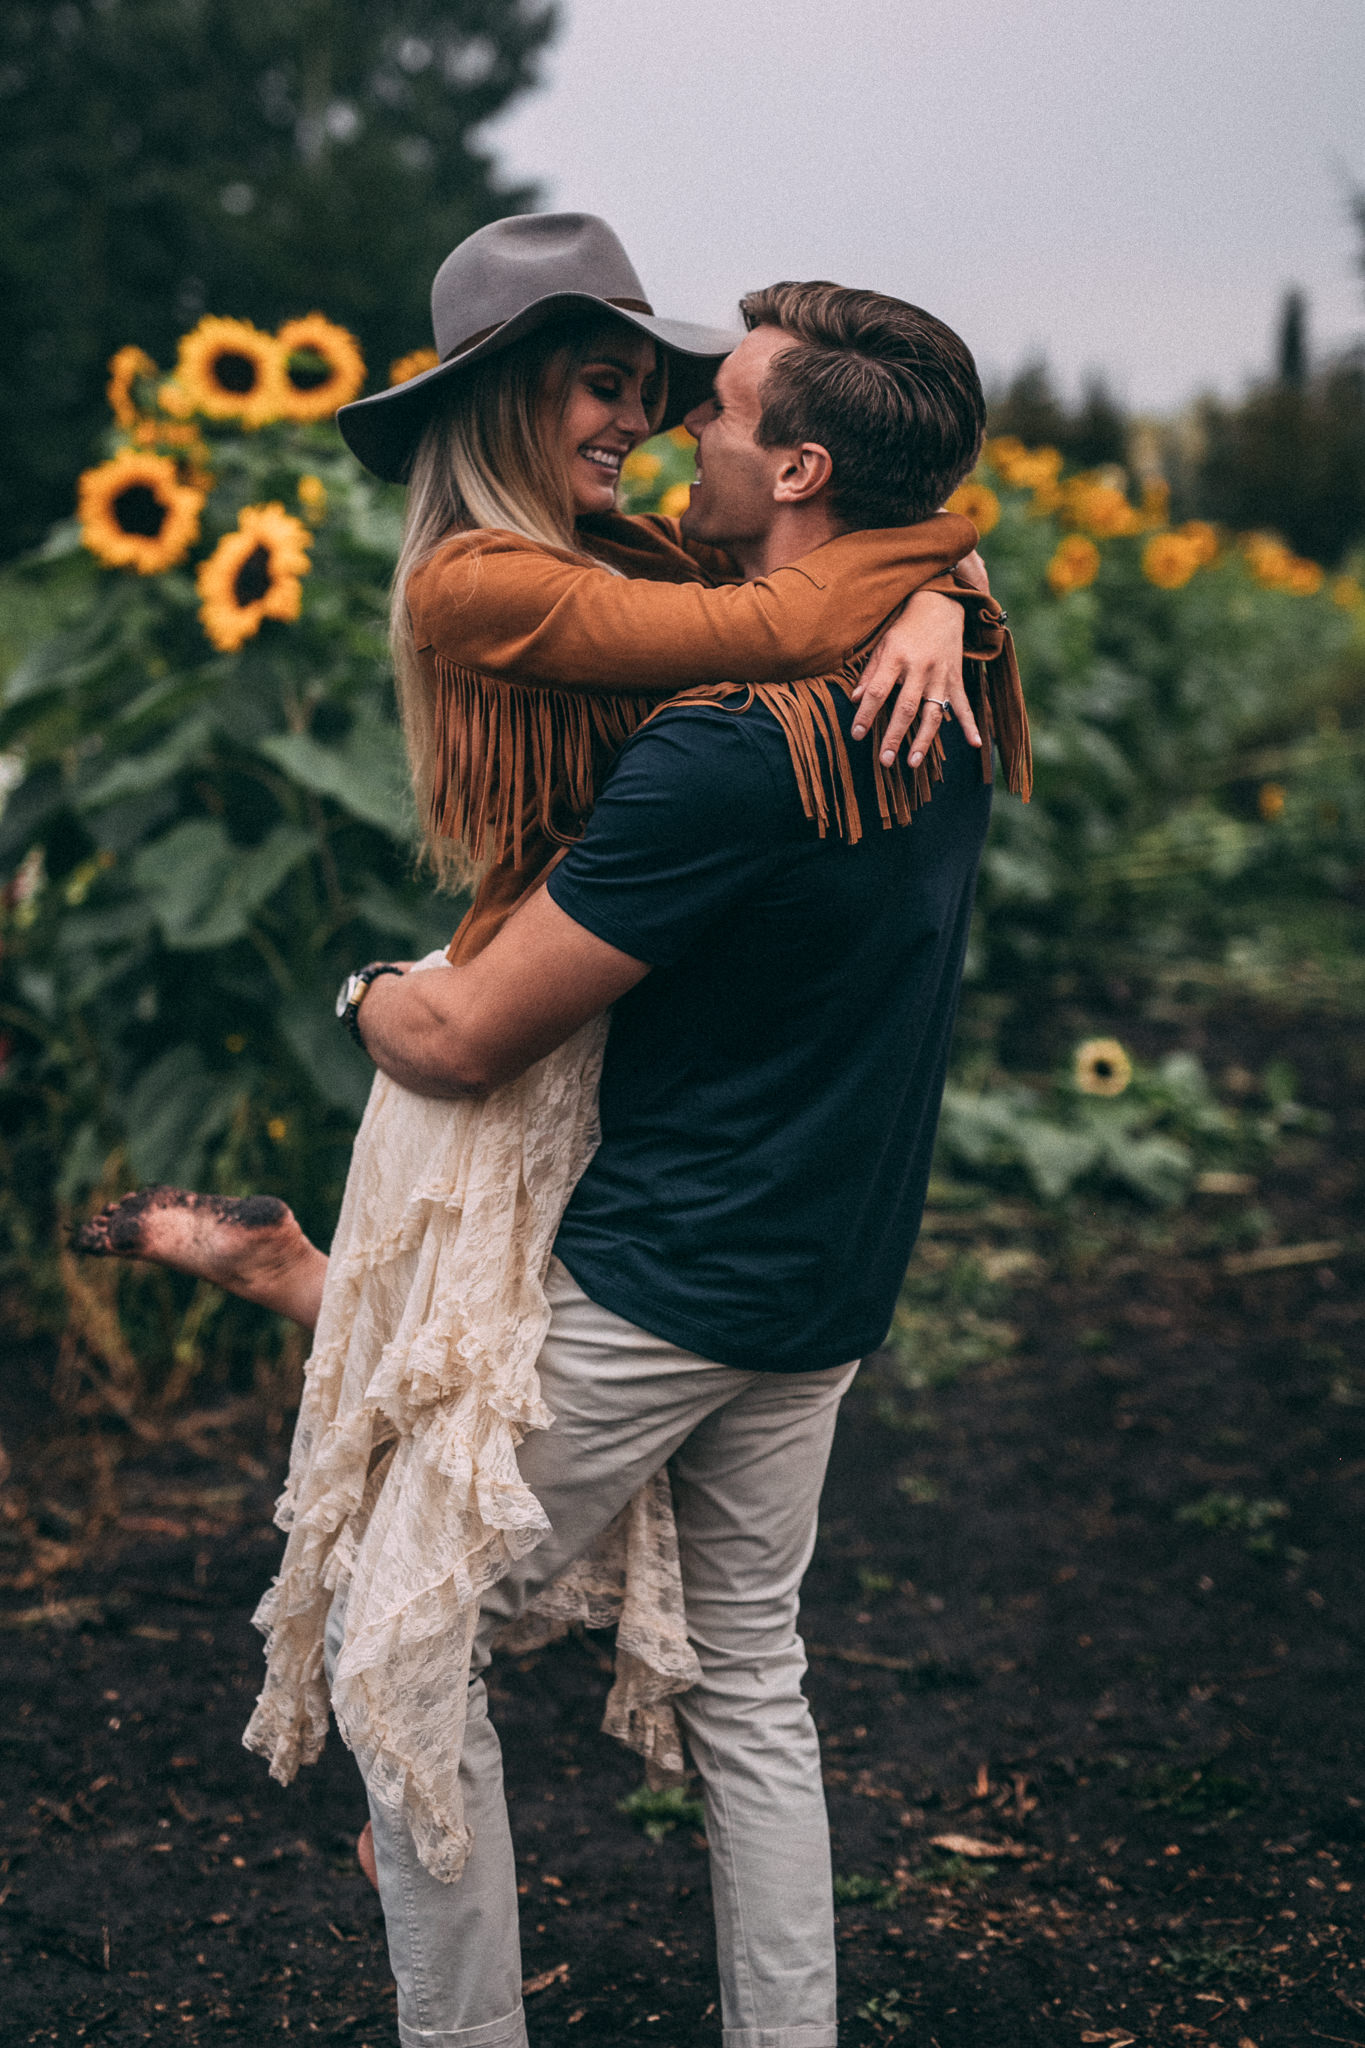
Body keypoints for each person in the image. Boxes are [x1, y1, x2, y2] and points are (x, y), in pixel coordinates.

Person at [79, 218, 1027, 2046]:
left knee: (398, 1642)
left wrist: (365, 997)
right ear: (512, 398)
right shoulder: (914, 687)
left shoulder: (747, 716)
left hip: (634, 1183)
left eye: (692, 404)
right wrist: (949, 583)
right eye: (613, 387)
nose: (664, 427)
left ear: (801, 465)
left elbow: (464, 1030)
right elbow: (775, 614)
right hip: (820, 1255)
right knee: (746, 1670)